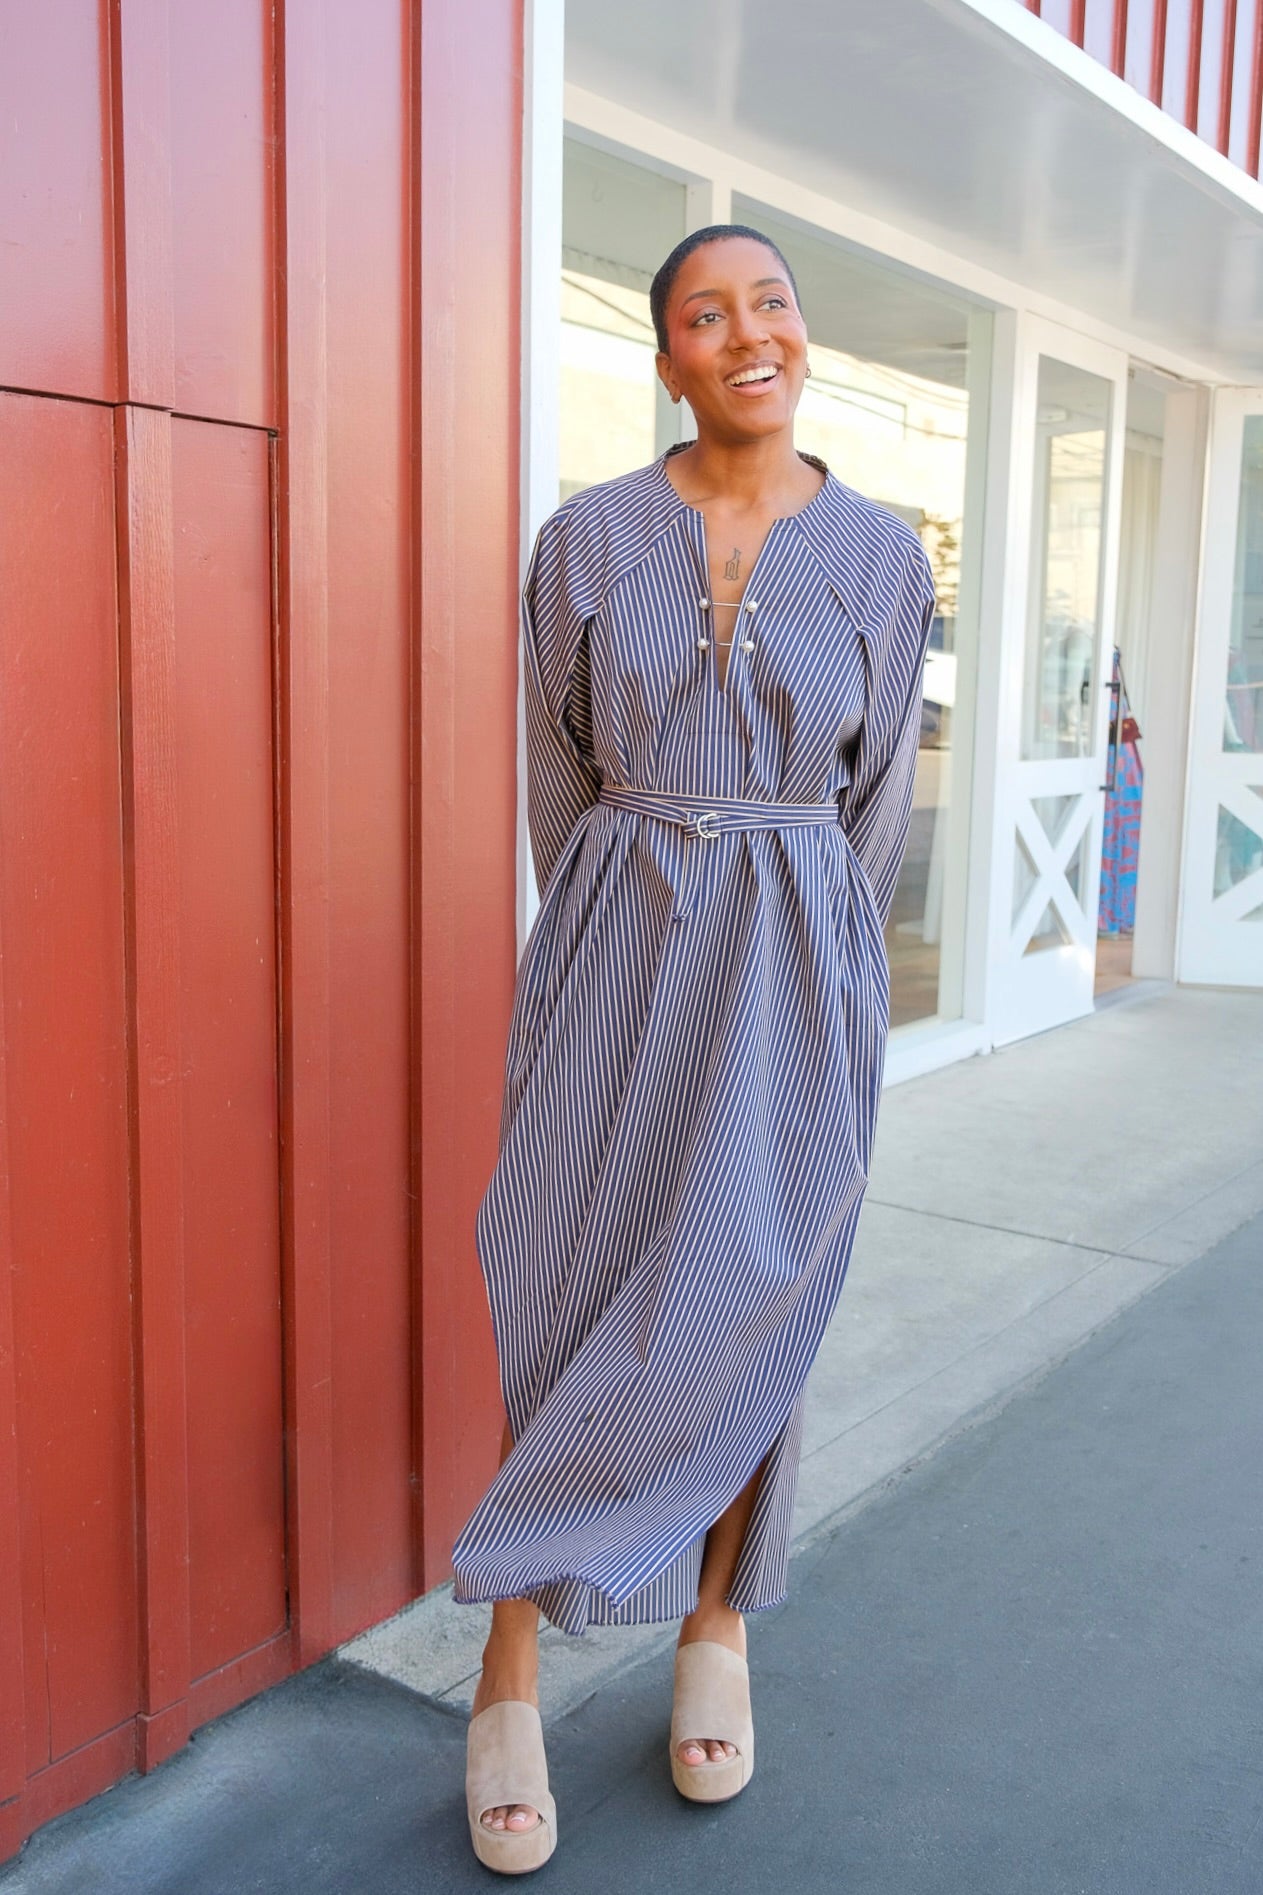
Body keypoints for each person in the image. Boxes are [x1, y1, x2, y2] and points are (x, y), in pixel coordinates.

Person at [453, 224, 935, 1873]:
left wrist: (823, 976)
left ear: (805, 339)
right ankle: (508, 1653)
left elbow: (872, 814)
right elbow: (559, 773)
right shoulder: (585, 539)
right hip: (612, 937)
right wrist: (619, 918)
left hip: (800, 962)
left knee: (754, 1291)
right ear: (664, 357)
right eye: (704, 314)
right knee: (566, 1274)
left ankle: (717, 1626)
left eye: (773, 304)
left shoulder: (879, 557)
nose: (748, 334)